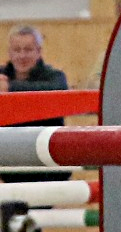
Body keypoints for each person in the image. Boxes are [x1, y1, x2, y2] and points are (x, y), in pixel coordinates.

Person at [0, 25, 70, 184]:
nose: (22, 55)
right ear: (9, 53)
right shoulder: (2, 75)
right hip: (9, 162)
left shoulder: (54, 77)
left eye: (28, 49)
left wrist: (10, 89)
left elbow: (57, 91)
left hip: (47, 162)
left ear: (39, 51)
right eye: (17, 50)